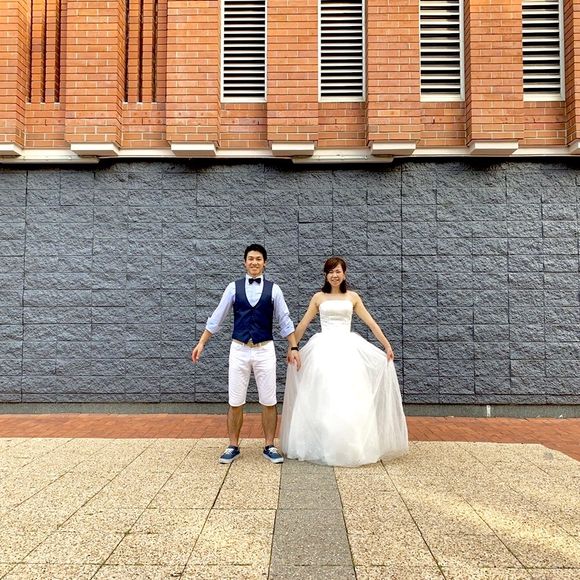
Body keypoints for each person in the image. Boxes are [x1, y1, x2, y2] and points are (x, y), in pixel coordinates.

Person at [280, 256, 408, 467]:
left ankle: (349, 447)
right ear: (325, 275)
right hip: (323, 350)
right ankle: (322, 445)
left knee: (349, 396)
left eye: (338, 271)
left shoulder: (353, 297)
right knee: (324, 395)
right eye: (331, 272)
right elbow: (302, 324)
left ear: (344, 273)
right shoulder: (318, 297)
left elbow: (371, 323)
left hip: (348, 350)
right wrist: (293, 347)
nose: (334, 275)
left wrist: (386, 345)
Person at [191, 244, 300, 464]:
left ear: (265, 263)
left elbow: (285, 320)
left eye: (258, 259)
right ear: (244, 262)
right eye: (251, 258)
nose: (254, 262)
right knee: (235, 400)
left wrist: (294, 347)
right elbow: (217, 316)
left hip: (265, 349)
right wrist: (202, 342)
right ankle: (233, 445)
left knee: (269, 400)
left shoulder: (274, 290)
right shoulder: (233, 288)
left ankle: (269, 445)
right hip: (239, 349)